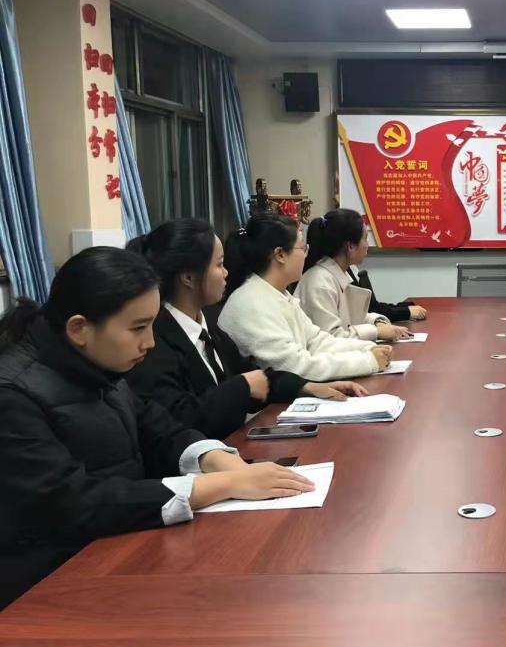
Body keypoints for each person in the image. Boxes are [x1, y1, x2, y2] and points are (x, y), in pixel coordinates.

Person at [0, 247, 315, 609]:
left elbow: (158, 429)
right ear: (79, 328)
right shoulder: (13, 394)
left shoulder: (95, 364)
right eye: (138, 328)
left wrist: (218, 460)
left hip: (115, 552)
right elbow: (73, 503)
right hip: (43, 589)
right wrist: (220, 485)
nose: (149, 342)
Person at [127, 219, 368, 440]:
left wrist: (306, 387)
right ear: (188, 277)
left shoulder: (209, 325)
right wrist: (242, 387)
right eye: (219, 265)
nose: (226, 273)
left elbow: (256, 374)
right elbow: (183, 419)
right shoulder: (155, 342)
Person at [218, 215, 391, 381]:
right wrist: (367, 361)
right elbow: (295, 366)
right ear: (280, 255)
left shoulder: (278, 294)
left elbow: (317, 341)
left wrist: (369, 348)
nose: (306, 255)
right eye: (302, 248)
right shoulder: (252, 303)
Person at [296, 210, 410, 341]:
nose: (367, 245)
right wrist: (376, 332)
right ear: (350, 246)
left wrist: (377, 322)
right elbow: (331, 338)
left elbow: (353, 318)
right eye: (365, 239)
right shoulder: (320, 284)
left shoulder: (335, 274)